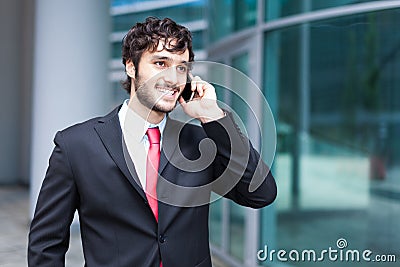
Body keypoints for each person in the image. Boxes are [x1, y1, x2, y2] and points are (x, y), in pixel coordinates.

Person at [28, 17, 277, 267]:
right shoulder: (76, 145)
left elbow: (260, 194)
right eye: (161, 63)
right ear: (130, 67)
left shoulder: (201, 143)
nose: (173, 79)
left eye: (181, 67)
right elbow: (46, 243)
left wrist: (212, 116)